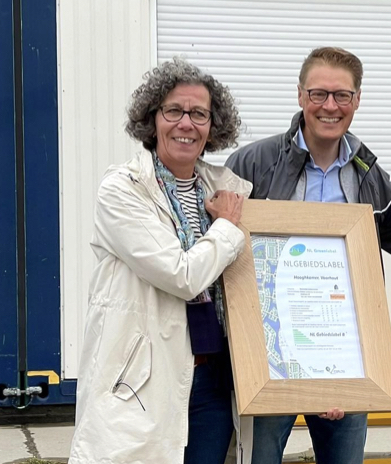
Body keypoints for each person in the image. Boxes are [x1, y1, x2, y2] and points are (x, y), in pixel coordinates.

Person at [226, 46, 391, 464]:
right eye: (319, 94)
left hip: (347, 355)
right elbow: (220, 251)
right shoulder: (253, 164)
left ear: (357, 100)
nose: (330, 106)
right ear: (300, 95)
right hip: (269, 359)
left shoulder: (370, 174)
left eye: (342, 95)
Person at [69, 58, 252, 463]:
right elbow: (182, 274)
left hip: (213, 377)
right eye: (174, 111)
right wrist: (225, 229)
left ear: (212, 125)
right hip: (144, 380)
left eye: (199, 114)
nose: (186, 124)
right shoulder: (122, 189)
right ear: (152, 119)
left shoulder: (227, 191)